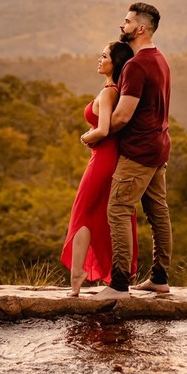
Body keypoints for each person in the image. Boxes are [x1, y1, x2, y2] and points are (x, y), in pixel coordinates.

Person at [87, 2, 173, 299]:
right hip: (159, 147)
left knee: (119, 209)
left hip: (138, 151)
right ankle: (159, 278)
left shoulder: (136, 66)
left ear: (141, 28)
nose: (121, 25)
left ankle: (119, 283)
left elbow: (123, 116)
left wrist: (99, 134)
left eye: (127, 21)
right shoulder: (159, 58)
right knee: (158, 213)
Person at [60, 41, 139, 295]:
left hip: (103, 160)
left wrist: (86, 137)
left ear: (114, 64)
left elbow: (104, 129)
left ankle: (78, 274)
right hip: (110, 158)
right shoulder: (115, 91)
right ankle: (104, 273)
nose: (99, 59)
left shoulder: (108, 93)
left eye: (104, 56)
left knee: (82, 213)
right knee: (100, 216)